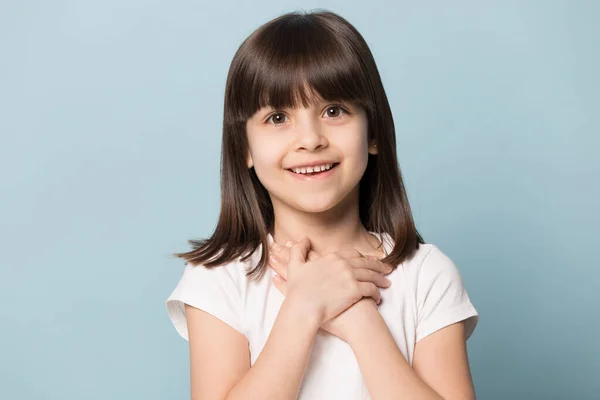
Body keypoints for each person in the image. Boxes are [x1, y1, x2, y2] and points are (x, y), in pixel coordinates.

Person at [166, 9, 479, 400]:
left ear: (373, 133)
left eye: (334, 111)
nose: (310, 139)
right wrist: (305, 305)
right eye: (278, 117)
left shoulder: (425, 275)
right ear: (244, 147)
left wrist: (361, 320)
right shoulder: (220, 279)